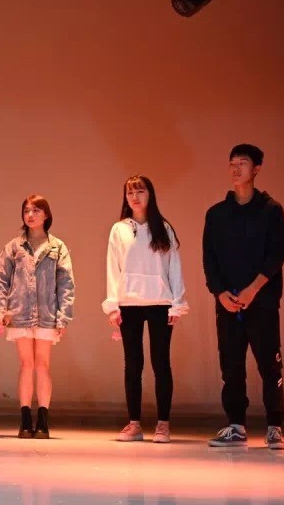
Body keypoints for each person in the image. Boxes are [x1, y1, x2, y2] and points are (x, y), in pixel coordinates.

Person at [203, 144, 284, 450]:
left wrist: (254, 288)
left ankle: (274, 426)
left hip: (261, 301)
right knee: (231, 366)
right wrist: (219, 292)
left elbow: (278, 253)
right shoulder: (216, 214)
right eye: (232, 163)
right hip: (228, 304)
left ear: (256, 169)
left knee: (269, 364)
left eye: (243, 163)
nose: (236, 168)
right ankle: (236, 426)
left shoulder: (271, 210)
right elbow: (209, 259)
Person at [102, 175, 188, 444]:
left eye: (140, 191)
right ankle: (134, 424)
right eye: (130, 192)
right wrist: (113, 305)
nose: (135, 197)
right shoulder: (119, 230)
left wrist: (177, 303)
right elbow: (112, 268)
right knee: (132, 364)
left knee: (161, 362)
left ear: (150, 194)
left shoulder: (163, 228)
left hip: (160, 303)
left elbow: (174, 267)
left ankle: (163, 424)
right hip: (129, 303)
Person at [0, 194, 75, 439]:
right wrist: (0, 310)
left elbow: (66, 284)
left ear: (46, 215)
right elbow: (1, 281)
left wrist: (63, 317)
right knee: (26, 363)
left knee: (43, 364)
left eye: (36, 210)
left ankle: (43, 419)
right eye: (27, 210)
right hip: (19, 312)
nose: (30, 215)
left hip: (47, 313)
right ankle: (25, 418)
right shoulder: (14, 247)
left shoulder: (57, 247)